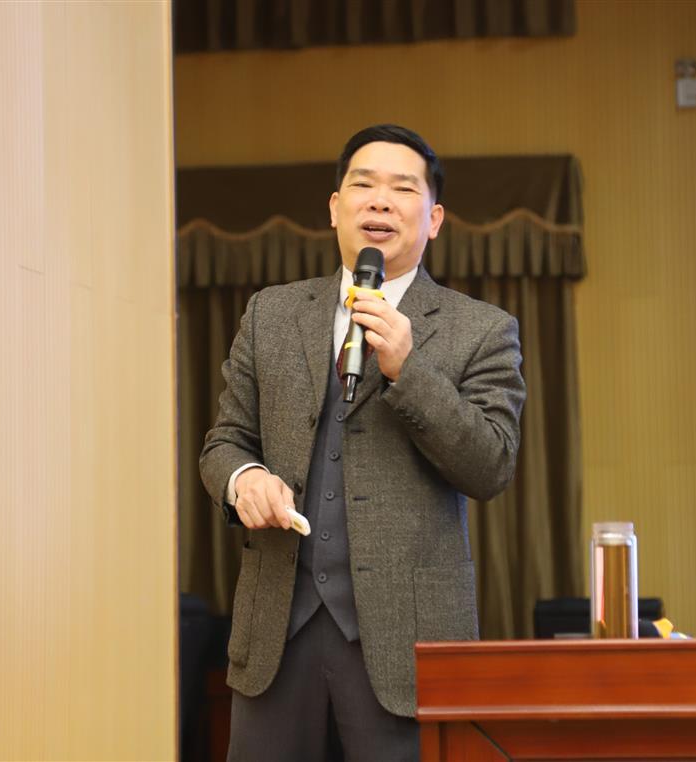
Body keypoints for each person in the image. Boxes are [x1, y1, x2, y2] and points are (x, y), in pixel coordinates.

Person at [200, 124, 526, 761]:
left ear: (433, 219)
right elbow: (224, 443)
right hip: (276, 636)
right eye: (363, 185)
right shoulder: (271, 314)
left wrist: (409, 369)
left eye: (402, 189)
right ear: (334, 208)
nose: (380, 201)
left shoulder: (481, 330)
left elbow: (491, 465)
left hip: (407, 645)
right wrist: (244, 480)